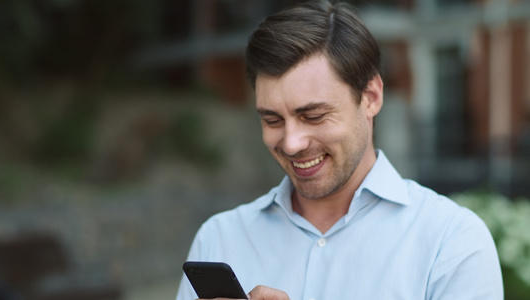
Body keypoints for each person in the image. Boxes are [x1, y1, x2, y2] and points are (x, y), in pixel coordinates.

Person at [176, 1, 503, 299]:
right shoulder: (218, 239)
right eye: (273, 120)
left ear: (371, 97)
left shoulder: (451, 242)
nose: (292, 143)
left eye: (313, 116)